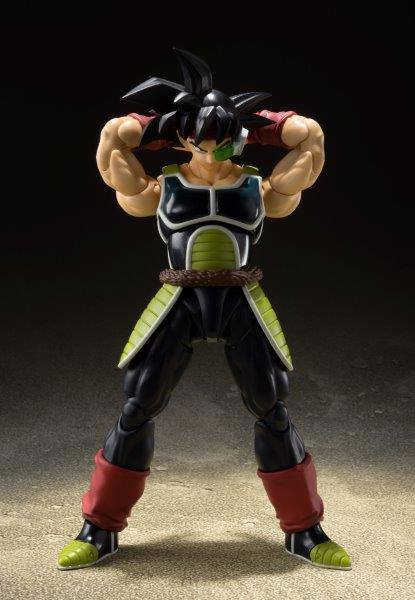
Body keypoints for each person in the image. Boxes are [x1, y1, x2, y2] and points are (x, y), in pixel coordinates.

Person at [57, 48, 351, 571]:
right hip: (179, 299)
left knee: (272, 409)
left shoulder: (261, 189)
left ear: (238, 137)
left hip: (241, 300)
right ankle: (98, 528)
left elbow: (310, 137)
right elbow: (112, 140)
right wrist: (159, 124)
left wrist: (258, 124)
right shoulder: (160, 187)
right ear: (182, 138)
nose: (211, 152)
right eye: (199, 140)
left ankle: (304, 531)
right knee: (137, 406)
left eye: (222, 140)